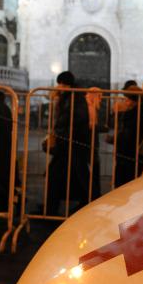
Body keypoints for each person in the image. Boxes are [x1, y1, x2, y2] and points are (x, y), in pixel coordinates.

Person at [46, 71, 90, 215]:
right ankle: (50, 208)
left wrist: (60, 133)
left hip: (72, 143)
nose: (59, 87)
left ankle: (86, 203)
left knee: (62, 176)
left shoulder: (75, 98)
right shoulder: (67, 97)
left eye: (62, 84)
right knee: (57, 176)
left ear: (68, 84)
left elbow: (75, 118)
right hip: (67, 144)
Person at [113, 84, 143, 187]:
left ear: (134, 101)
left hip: (129, 154)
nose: (125, 102)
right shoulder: (136, 112)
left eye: (126, 100)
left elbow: (128, 134)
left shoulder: (135, 114)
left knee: (125, 182)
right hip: (128, 153)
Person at [85, 87, 103, 200]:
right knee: (93, 168)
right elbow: (91, 126)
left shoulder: (90, 105)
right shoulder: (89, 106)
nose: (100, 99)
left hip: (91, 143)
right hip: (89, 143)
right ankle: (94, 195)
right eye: (99, 96)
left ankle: (94, 194)